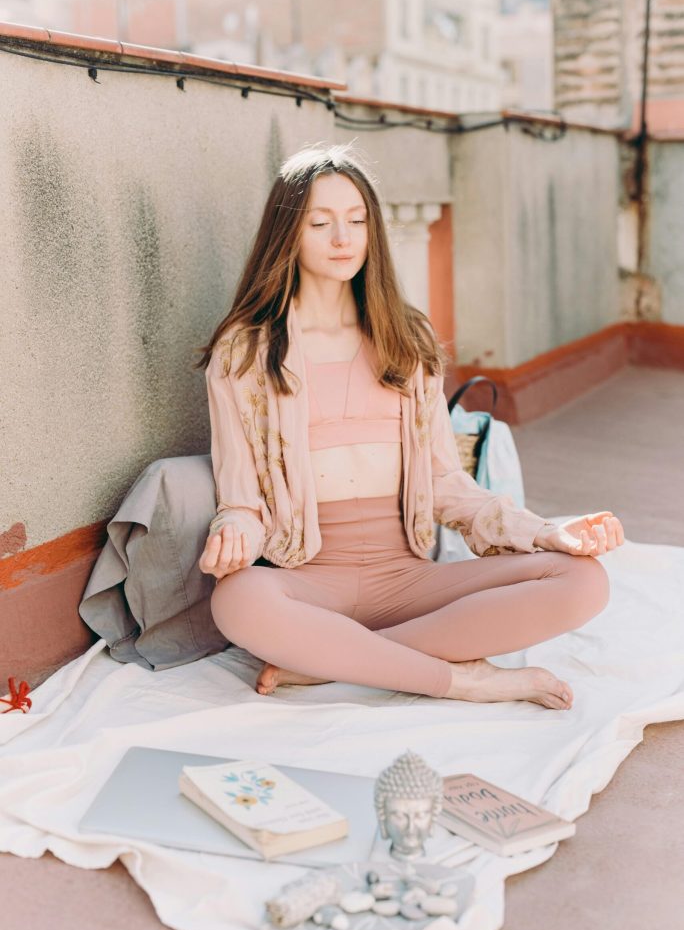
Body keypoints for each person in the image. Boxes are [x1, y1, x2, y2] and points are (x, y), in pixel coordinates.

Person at [196, 144, 621, 710]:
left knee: (584, 580)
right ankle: (462, 679)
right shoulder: (245, 350)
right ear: (287, 235)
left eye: (357, 221)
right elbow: (241, 496)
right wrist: (234, 537)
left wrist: (545, 533)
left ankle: (332, 663)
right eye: (320, 223)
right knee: (237, 601)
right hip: (308, 579)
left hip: (409, 581)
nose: (343, 239)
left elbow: (447, 484)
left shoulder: (408, 337)